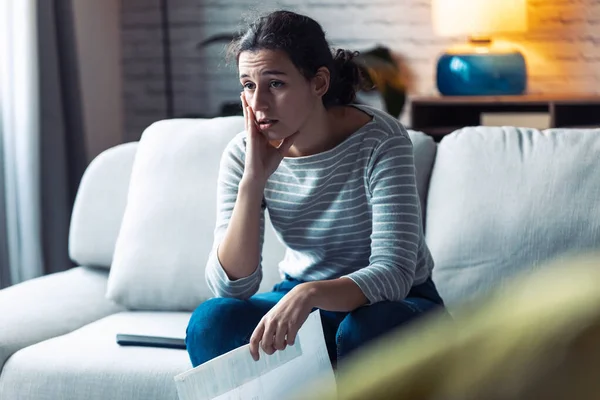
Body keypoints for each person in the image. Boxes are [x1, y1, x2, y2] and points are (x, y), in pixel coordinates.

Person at [185, 10, 445, 368]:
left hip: (393, 307)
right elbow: (232, 288)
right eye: (248, 85)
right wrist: (253, 181)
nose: (258, 104)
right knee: (210, 323)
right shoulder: (243, 154)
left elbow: (395, 274)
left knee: (364, 328)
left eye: (275, 84)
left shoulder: (381, 141)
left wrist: (310, 294)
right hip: (302, 298)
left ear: (319, 83)